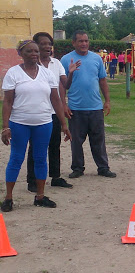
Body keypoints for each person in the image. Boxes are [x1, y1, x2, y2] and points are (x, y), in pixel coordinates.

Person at [1, 40, 72, 212]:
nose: (33, 54)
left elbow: (55, 99)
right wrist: (5, 126)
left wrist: (64, 124)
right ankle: (8, 198)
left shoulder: (47, 74)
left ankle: (40, 196)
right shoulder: (13, 73)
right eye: (29, 52)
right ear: (21, 54)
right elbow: (8, 102)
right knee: (16, 158)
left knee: (40, 158)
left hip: (43, 123)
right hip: (19, 123)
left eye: (36, 51)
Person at [60, 30, 117, 179]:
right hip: (76, 109)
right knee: (76, 141)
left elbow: (102, 81)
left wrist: (107, 101)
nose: (84, 44)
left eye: (86, 41)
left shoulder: (96, 59)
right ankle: (78, 168)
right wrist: (64, 105)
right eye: (80, 41)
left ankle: (103, 167)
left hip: (95, 107)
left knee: (98, 139)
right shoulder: (66, 60)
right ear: (73, 43)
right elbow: (62, 85)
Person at [25, 32, 74, 193]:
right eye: (43, 44)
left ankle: (55, 177)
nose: (47, 47)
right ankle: (32, 180)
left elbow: (65, 85)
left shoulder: (56, 63)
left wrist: (71, 72)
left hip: (54, 111)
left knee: (55, 145)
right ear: (36, 46)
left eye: (49, 44)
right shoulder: (31, 65)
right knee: (36, 147)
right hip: (37, 112)